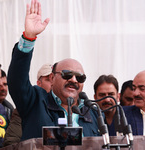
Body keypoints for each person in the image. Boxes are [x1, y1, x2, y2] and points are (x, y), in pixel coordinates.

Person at [7, 0, 100, 141]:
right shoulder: (35, 101)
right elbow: (17, 80)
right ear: (51, 78)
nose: (74, 80)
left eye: (80, 77)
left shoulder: (93, 111)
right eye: (67, 74)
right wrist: (28, 38)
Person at [3, 63, 53, 146]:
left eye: (55, 79)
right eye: (48, 79)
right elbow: (11, 143)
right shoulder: (25, 108)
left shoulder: (69, 108)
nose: (52, 83)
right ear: (39, 83)